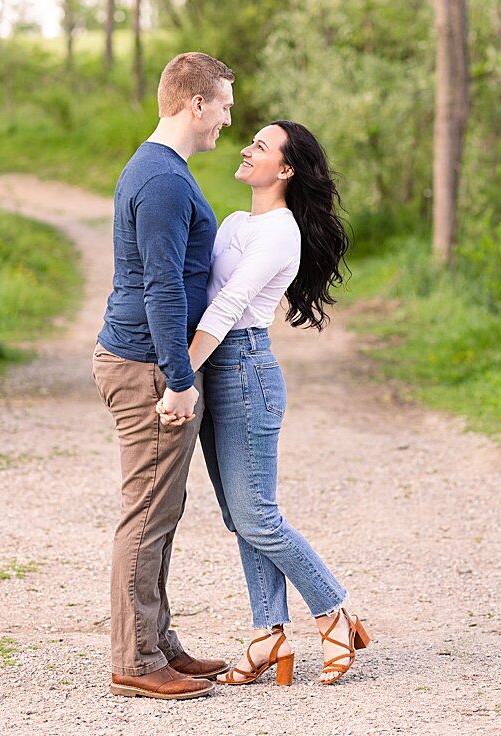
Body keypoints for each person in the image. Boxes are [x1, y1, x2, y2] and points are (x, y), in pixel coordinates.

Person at [165, 119, 369, 686]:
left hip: (246, 369)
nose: (246, 148)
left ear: (285, 169)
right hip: (218, 369)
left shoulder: (280, 231)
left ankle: (335, 612)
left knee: (257, 514)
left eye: (260, 145)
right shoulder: (235, 222)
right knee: (240, 516)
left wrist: (180, 375)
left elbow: (227, 305)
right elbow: (196, 286)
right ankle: (268, 633)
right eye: (250, 140)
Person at [92, 51, 235, 700]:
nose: (228, 121)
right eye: (224, 107)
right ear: (195, 103)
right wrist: (179, 379)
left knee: (162, 509)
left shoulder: (159, 170)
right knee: (147, 511)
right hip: (148, 366)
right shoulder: (165, 180)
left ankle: (156, 640)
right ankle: (135, 659)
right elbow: (162, 287)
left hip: (150, 362)